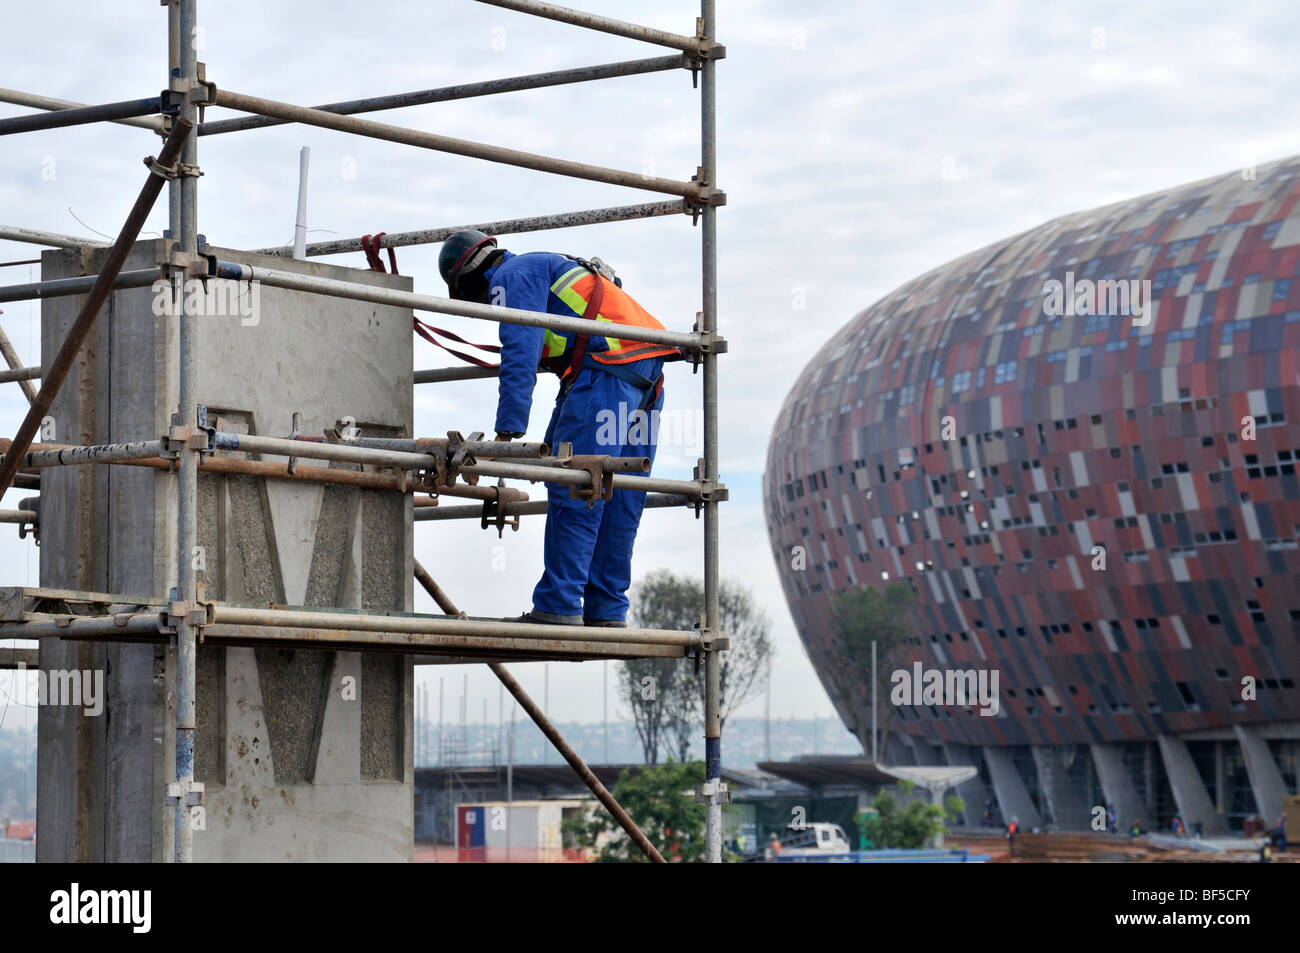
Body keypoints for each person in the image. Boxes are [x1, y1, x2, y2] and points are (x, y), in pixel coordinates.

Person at [439, 230, 681, 627]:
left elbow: (520, 344)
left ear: (467, 282)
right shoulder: (546, 265)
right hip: (645, 377)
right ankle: (606, 610)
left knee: (577, 483)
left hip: (607, 373)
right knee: (616, 492)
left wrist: (507, 430)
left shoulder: (511, 276)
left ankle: (559, 605)